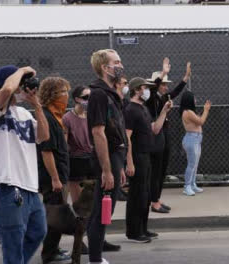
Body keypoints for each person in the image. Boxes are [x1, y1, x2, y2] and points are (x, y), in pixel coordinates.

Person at [0, 65, 49, 264]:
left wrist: (36, 105)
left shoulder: (24, 113)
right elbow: (5, 91)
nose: (23, 88)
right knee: (12, 242)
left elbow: (44, 136)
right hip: (7, 186)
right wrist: (21, 71)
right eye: (21, 85)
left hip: (29, 186)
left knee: (38, 232)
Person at [63, 86, 121, 253]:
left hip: (92, 160)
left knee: (95, 206)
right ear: (77, 99)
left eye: (90, 96)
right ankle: (78, 242)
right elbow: (65, 145)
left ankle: (99, 239)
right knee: (80, 207)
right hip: (77, 162)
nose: (89, 100)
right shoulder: (68, 118)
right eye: (85, 97)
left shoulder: (91, 115)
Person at [86, 49, 127, 264]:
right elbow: (98, 132)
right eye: (116, 62)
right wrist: (107, 169)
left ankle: (96, 255)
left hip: (115, 157)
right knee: (102, 210)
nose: (120, 66)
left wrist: (119, 166)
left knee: (104, 209)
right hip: (107, 158)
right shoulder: (99, 94)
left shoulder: (111, 94)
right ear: (105, 67)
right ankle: (95, 258)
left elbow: (117, 131)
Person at [124, 77, 172, 243]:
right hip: (137, 157)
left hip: (147, 155)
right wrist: (129, 162)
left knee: (144, 195)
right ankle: (134, 232)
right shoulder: (130, 110)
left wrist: (164, 111)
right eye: (145, 88)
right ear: (137, 90)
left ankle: (143, 229)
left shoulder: (143, 108)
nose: (147, 91)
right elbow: (127, 137)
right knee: (136, 195)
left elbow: (155, 129)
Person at [145, 58, 191, 213]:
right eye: (163, 84)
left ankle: (156, 199)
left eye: (165, 84)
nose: (165, 87)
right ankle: (154, 202)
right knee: (156, 170)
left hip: (163, 134)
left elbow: (175, 92)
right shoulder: (149, 97)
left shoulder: (164, 97)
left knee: (162, 169)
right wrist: (163, 72)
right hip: (155, 135)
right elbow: (152, 89)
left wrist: (185, 79)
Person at [37, 76, 72, 264]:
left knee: (56, 212)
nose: (66, 96)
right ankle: (49, 253)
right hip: (53, 177)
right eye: (62, 92)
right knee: (55, 214)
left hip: (60, 172)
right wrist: (55, 178)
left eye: (66, 91)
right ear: (51, 95)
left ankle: (54, 247)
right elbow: (47, 151)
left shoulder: (56, 116)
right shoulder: (47, 117)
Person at [179, 91, 211, 196]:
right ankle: (187, 186)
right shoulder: (188, 112)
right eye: (194, 98)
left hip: (196, 139)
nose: (195, 100)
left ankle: (192, 184)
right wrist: (206, 110)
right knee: (191, 164)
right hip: (191, 139)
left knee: (195, 164)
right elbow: (201, 121)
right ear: (189, 100)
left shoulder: (190, 111)